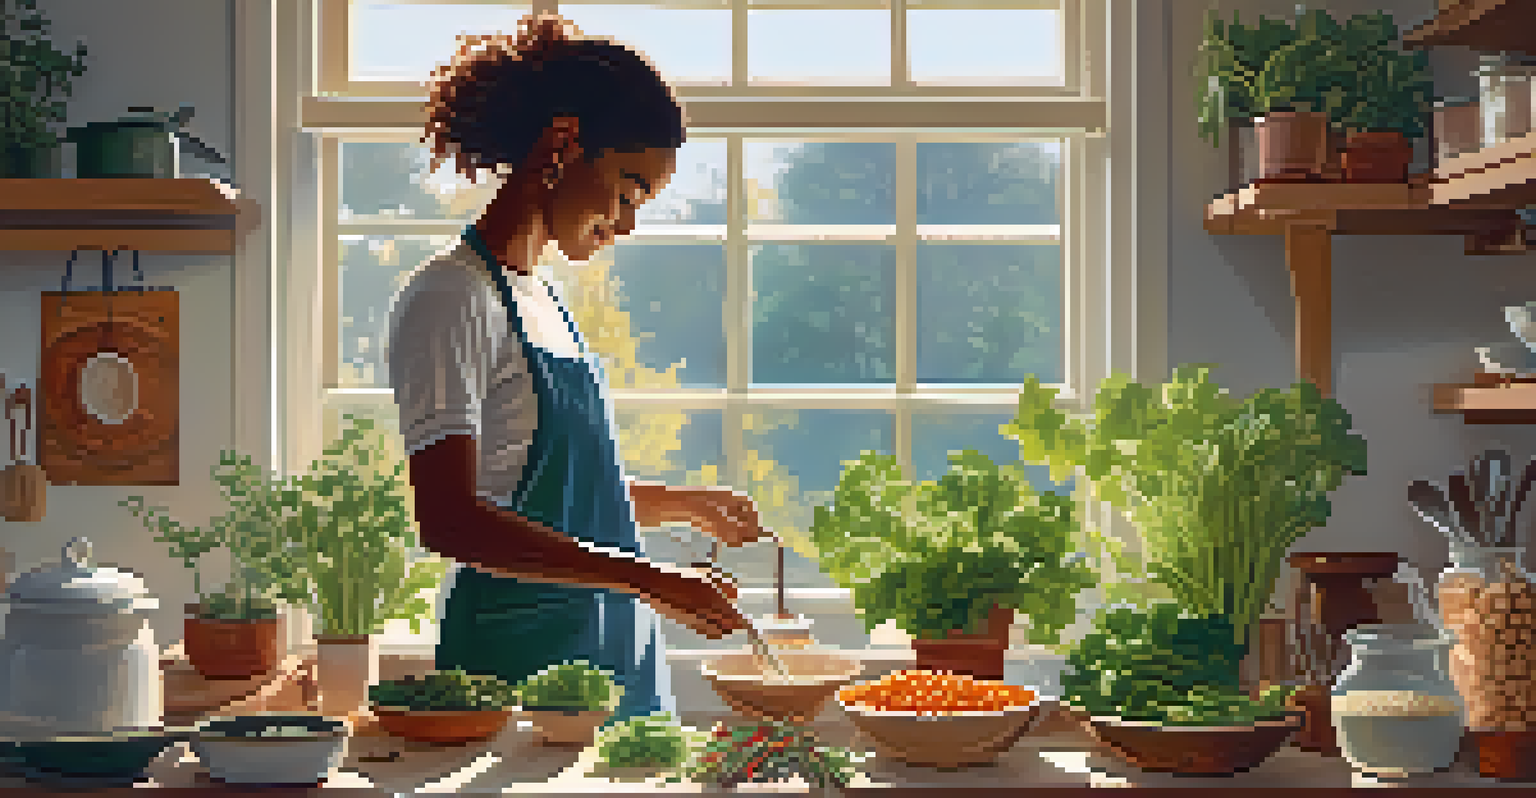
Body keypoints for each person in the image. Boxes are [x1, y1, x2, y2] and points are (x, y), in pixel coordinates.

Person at [389, 13, 765, 725]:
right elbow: (451, 520)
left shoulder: (542, 298)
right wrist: (647, 577)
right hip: (521, 672)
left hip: (614, 662)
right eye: (627, 190)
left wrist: (676, 503)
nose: (626, 224)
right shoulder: (453, 295)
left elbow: (539, 487)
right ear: (563, 143)